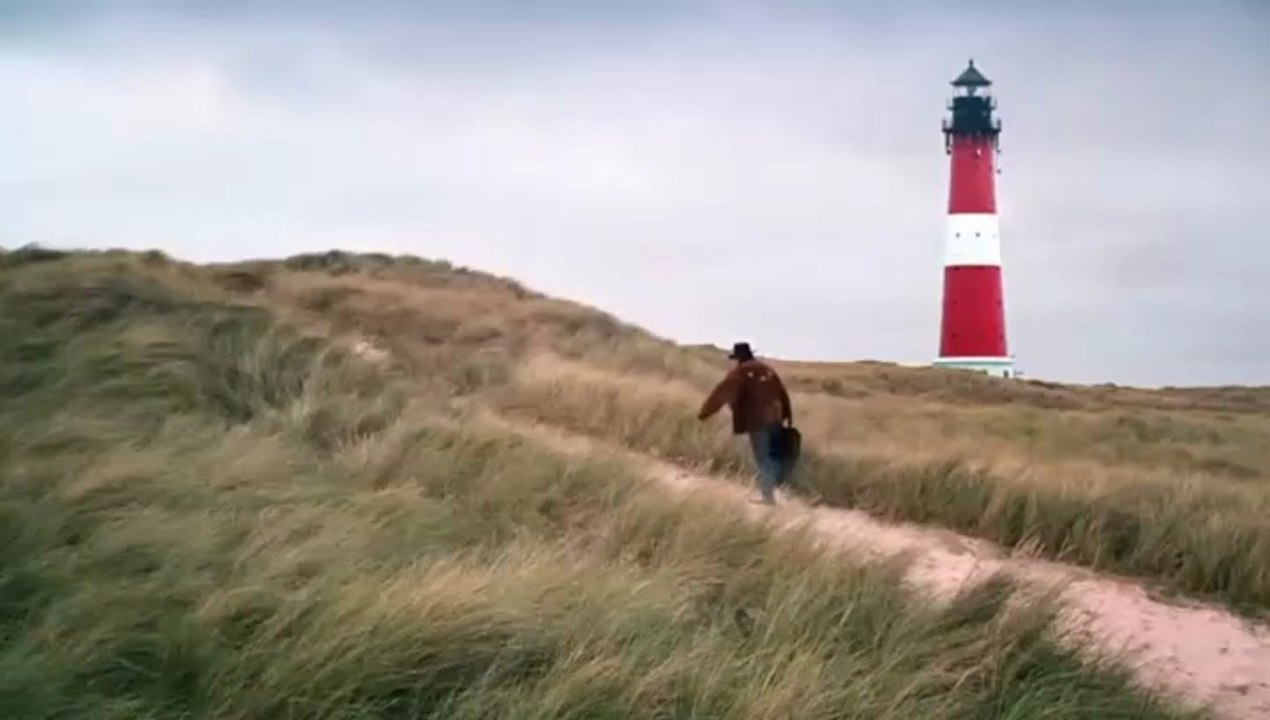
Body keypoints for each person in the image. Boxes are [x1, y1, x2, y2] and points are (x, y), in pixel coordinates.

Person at [696, 341, 796, 505]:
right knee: (770, 455)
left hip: (757, 419)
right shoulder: (767, 369)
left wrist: (704, 413)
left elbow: (721, 393)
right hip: (775, 419)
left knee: (762, 456)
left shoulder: (741, 371)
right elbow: (783, 393)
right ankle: (772, 492)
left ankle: (768, 497)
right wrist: (787, 417)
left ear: (739, 357)